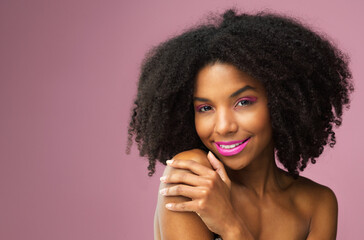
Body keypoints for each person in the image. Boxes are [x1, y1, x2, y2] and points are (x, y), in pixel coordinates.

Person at [127, 9, 353, 239]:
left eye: (243, 102)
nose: (224, 126)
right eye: (205, 108)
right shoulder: (193, 177)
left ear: (280, 102)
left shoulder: (317, 204)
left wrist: (230, 225)